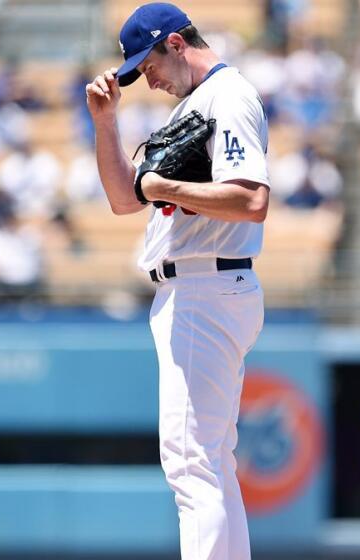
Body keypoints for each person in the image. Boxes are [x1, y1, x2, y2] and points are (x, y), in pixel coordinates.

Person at [84, 4, 269, 559]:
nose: (150, 79)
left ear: (176, 43)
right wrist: (105, 122)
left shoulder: (227, 95)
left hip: (204, 290)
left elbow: (251, 199)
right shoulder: (196, 103)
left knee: (192, 463)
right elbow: (124, 198)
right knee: (210, 462)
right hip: (199, 289)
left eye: (150, 63)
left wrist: (166, 188)